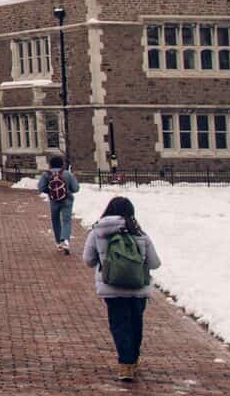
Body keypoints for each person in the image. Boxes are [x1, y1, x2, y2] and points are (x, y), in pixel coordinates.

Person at [80, 194, 162, 383]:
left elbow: (88, 260)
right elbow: (155, 263)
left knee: (119, 325)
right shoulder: (139, 233)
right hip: (138, 287)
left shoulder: (97, 232)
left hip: (112, 287)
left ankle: (125, 365)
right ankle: (133, 359)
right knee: (135, 324)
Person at [39, 153, 79, 253]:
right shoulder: (67, 174)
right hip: (67, 200)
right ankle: (65, 240)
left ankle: (58, 242)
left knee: (55, 220)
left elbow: (41, 188)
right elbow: (76, 188)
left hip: (54, 201)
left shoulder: (46, 174)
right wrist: (67, 190)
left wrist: (50, 191)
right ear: (62, 165)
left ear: (50, 165)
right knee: (66, 220)